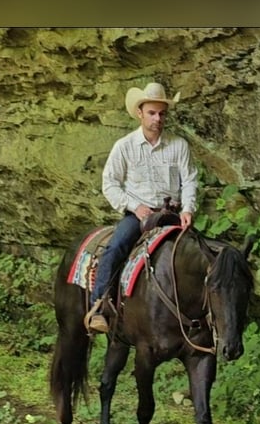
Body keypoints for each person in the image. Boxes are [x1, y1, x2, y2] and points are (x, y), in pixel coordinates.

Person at [84, 82, 198, 334]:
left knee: (199, 255)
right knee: (116, 247)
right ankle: (99, 306)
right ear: (140, 113)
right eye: (152, 113)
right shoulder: (124, 147)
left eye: (162, 113)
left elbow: (189, 179)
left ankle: (198, 315)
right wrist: (135, 207)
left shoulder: (179, 145)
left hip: (172, 215)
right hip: (139, 216)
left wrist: (188, 209)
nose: (158, 118)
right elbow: (110, 184)